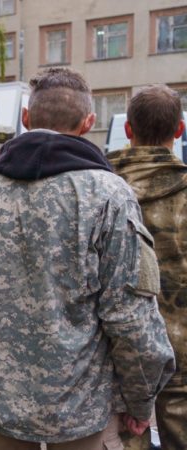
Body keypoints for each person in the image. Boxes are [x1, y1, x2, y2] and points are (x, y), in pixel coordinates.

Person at [0, 67, 175, 449]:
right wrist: (140, 399)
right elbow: (131, 318)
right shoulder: (110, 197)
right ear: (89, 122)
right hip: (80, 414)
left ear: (27, 119)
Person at [107, 85, 187, 450]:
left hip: (118, 344)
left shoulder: (99, 186)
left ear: (128, 130)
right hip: (182, 343)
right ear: (180, 130)